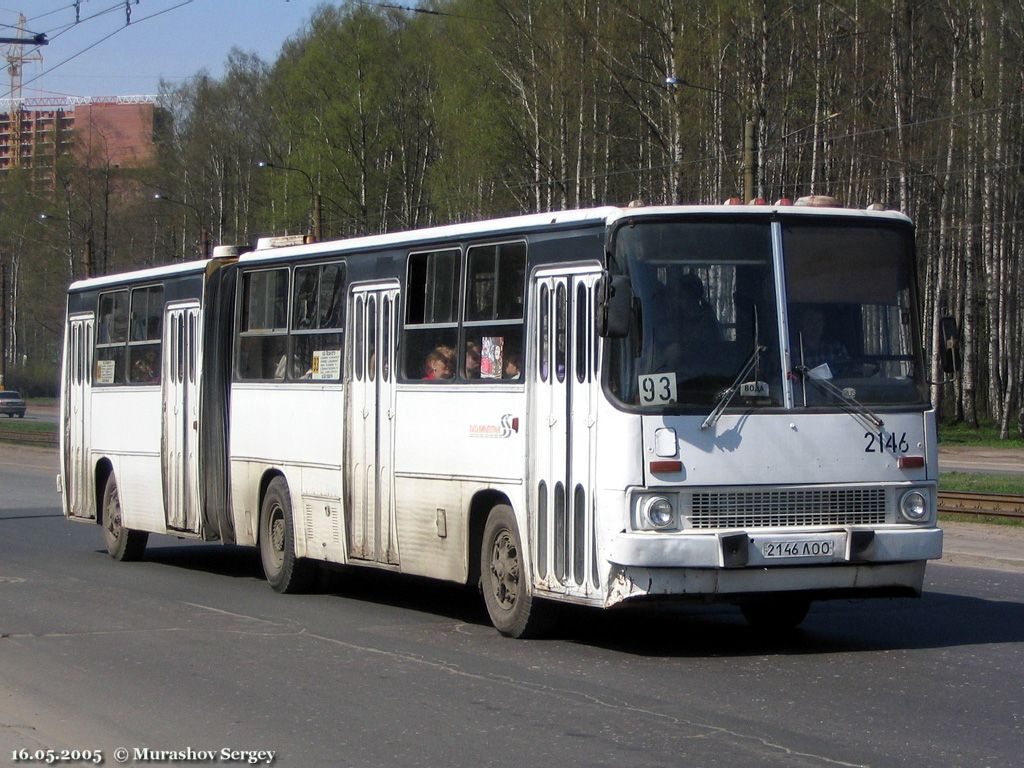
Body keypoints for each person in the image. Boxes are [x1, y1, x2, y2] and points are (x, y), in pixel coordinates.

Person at [793, 306, 848, 372]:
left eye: (819, 321)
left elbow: (850, 372)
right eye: (810, 321)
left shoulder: (836, 349)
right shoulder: (794, 352)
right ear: (801, 324)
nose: (815, 325)